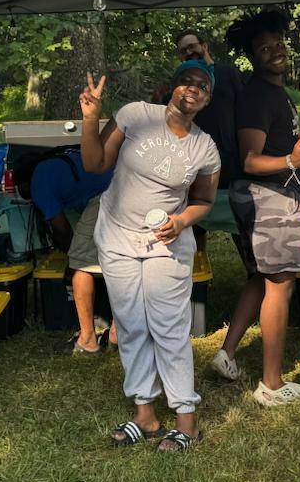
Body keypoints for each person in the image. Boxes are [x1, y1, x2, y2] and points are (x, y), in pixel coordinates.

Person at [80, 61, 220, 453]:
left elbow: (204, 200)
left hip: (166, 243)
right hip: (117, 234)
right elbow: (94, 165)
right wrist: (90, 120)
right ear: (172, 88)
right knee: (130, 322)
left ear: (207, 100)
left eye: (202, 87)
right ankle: (146, 414)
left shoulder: (204, 147)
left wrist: (181, 221)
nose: (192, 90)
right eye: (186, 82)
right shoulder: (135, 116)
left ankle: (186, 421)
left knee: (168, 327)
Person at [210, 8, 300, 407]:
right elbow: (251, 158)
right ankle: (272, 386)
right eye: (263, 48)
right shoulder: (257, 95)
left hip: (263, 195)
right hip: (268, 198)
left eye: (277, 44)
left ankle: (227, 353)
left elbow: (278, 148)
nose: (274, 51)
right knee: (280, 285)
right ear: (252, 56)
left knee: (259, 277)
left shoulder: (274, 93)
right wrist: (293, 162)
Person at [29, 148, 114, 355]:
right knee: (120, 260)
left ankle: (88, 341)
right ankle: (118, 335)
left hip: (109, 193)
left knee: (81, 266)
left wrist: (70, 258)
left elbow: (63, 230)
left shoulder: (37, 184)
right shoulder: (55, 163)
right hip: (129, 186)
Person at [174, 27, 245, 189]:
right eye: (184, 50)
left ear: (204, 46)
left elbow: (245, 110)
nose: (189, 52)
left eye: (192, 46)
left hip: (232, 156)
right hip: (199, 159)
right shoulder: (180, 82)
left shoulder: (228, 73)